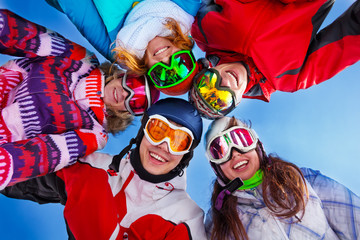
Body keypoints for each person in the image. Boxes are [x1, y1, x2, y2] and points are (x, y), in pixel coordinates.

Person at [1, 97, 207, 240]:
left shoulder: (187, 218)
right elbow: (17, 174)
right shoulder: (91, 168)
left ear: (185, 155)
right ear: (143, 131)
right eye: (158, 130)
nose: (163, 145)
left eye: (179, 141)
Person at [0, 10, 160, 190]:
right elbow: (31, 39)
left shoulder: (94, 132)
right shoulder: (82, 61)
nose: (126, 94)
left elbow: (48, 153)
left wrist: (8, 164)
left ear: (126, 113)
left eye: (135, 102)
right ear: (122, 75)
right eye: (133, 84)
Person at [189, 0, 360, 119]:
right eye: (222, 99)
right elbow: (347, 37)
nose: (223, 83)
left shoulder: (205, 31)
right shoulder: (290, 77)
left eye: (208, 83)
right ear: (238, 101)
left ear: (205, 69)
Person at [204, 116, 360, 239]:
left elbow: (354, 220)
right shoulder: (219, 221)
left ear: (258, 146)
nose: (235, 153)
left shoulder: (302, 180)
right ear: (216, 167)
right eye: (220, 150)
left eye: (242, 140)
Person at [45, 0, 203, 96]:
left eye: (161, 73)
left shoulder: (118, 48)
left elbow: (78, 8)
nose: (165, 59)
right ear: (185, 50)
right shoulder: (185, 9)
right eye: (180, 63)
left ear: (147, 71)